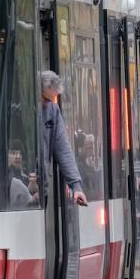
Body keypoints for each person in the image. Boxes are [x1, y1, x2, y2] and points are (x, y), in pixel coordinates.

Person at [39, 71, 87, 207]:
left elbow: (63, 149)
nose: (47, 104)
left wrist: (76, 187)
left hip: (41, 188)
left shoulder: (52, 110)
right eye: (46, 99)